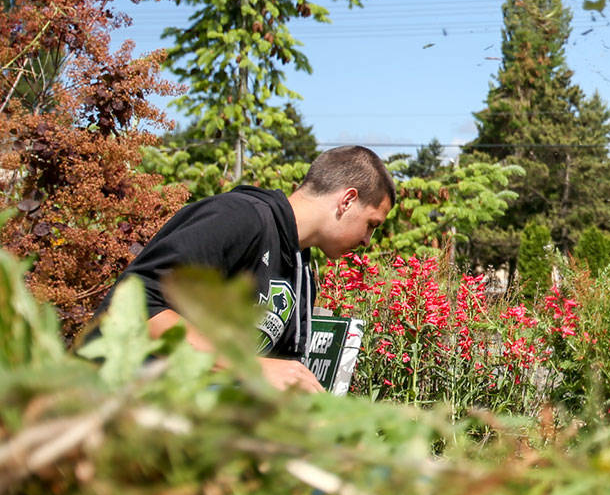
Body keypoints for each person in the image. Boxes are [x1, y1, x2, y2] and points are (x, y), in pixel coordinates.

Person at [91, 145, 395, 392]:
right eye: (372, 224)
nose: (368, 241)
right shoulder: (238, 218)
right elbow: (135, 309)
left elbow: (277, 373)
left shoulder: (302, 271)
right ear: (347, 200)